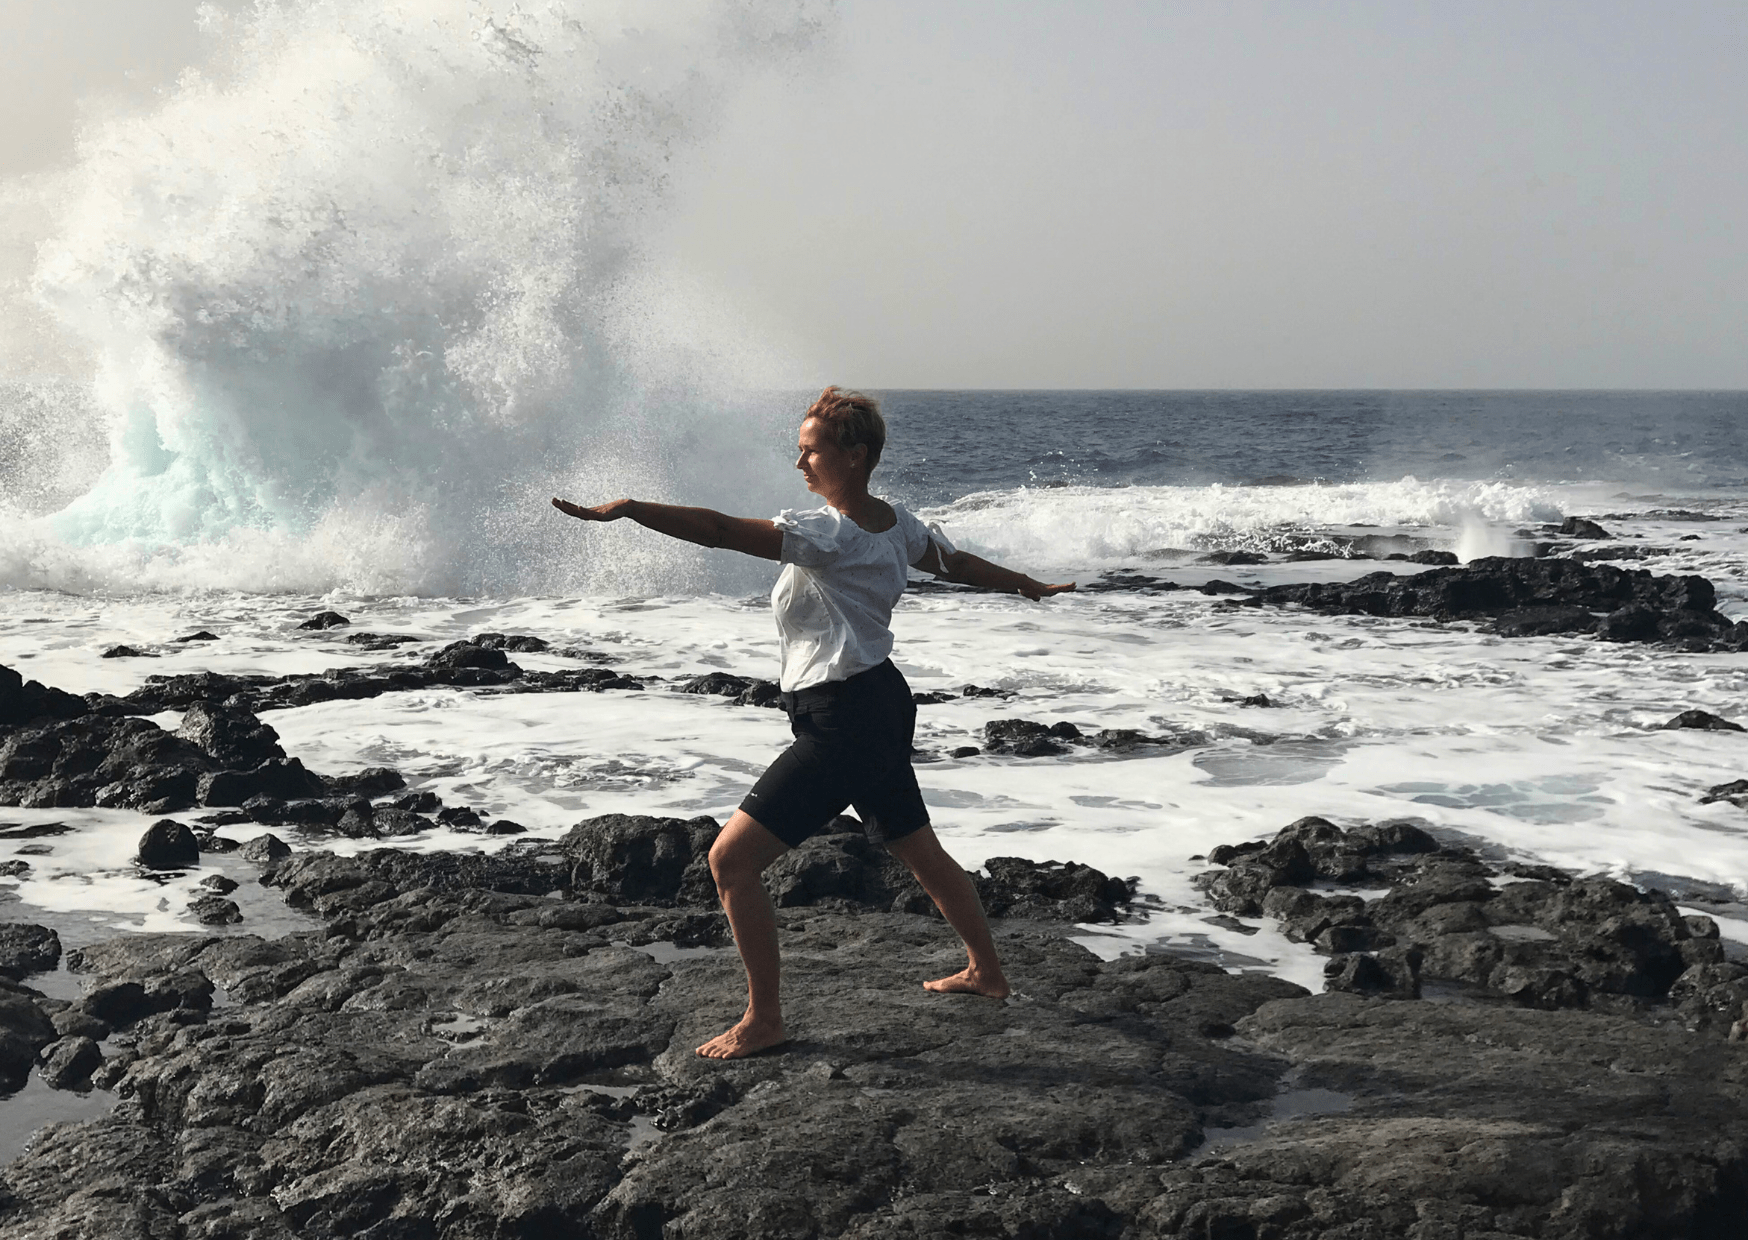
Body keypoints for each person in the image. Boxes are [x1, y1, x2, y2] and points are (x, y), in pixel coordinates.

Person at [552, 387, 1075, 1059]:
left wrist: (630, 509)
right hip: (881, 702)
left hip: (843, 719)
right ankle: (987, 972)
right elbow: (958, 564)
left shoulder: (829, 535)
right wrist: (1025, 583)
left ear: (854, 456)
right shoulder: (896, 524)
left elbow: (719, 530)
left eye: (811, 452)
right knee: (917, 847)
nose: (800, 464)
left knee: (730, 861)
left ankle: (764, 1019)